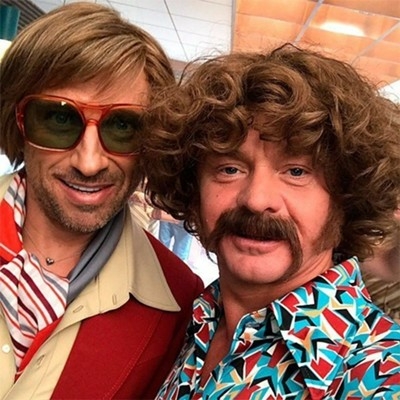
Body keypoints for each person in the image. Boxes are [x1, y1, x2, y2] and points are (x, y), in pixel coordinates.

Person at [143, 44, 400, 399]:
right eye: (229, 169)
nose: (256, 198)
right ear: (193, 190)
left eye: (296, 171)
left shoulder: (380, 375)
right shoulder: (190, 324)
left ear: (347, 199)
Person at [0, 3, 203, 399]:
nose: (89, 162)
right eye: (59, 119)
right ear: (18, 121)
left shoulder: (179, 301)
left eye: (124, 126)